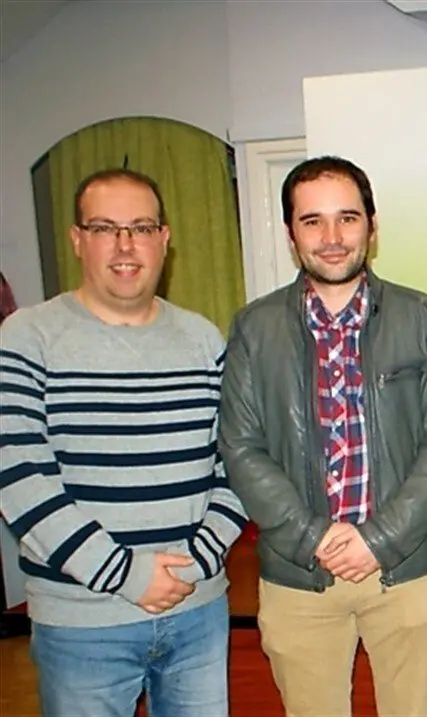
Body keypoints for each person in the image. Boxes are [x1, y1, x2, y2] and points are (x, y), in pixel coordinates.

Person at [218, 155, 427, 717]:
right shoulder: (255, 328)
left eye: (347, 218)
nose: (331, 238)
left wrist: (378, 539)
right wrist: (313, 538)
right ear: (290, 234)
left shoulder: (422, 317)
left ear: (372, 227)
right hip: (299, 573)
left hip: (404, 569)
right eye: (312, 221)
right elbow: (241, 447)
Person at [0, 168, 247, 716]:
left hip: (198, 611)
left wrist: (198, 561)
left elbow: (237, 463)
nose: (125, 244)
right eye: (105, 228)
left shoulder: (203, 338)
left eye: (141, 227)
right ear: (77, 239)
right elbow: (17, 476)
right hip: (82, 622)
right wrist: (124, 574)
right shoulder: (26, 337)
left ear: (164, 238)